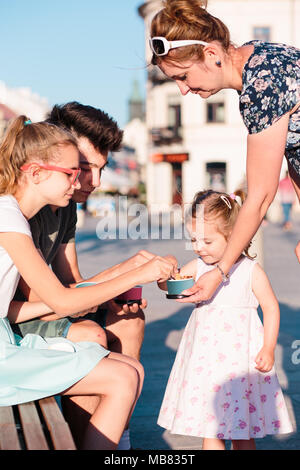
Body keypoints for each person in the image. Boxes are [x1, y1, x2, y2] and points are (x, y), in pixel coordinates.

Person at [0, 115, 176, 450]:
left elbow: (12, 308)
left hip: (5, 337)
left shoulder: (14, 214)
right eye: (71, 172)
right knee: (123, 377)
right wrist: (136, 274)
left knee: (130, 370)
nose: (80, 181)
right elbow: (63, 302)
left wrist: (124, 277)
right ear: (36, 173)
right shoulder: (9, 218)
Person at [149, 0, 300, 304]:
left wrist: (219, 271)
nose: (183, 90)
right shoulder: (259, 53)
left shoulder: (261, 85)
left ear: (212, 54)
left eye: (183, 76)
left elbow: (259, 197)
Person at [157, 189, 293, 450]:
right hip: (206, 362)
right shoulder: (198, 266)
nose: (198, 248)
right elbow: (172, 286)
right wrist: (165, 276)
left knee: (242, 432)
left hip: (240, 363)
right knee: (212, 428)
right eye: (194, 240)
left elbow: (271, 307)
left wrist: (268, 347)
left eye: (207, 241)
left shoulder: (250, 270)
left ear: (232, 236)